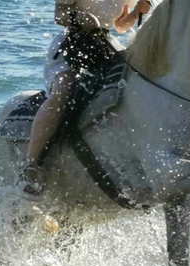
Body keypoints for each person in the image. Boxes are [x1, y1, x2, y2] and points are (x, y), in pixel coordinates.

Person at [19, 0, 151, 195]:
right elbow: (59, 16)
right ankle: (32, 165)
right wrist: (78, 18)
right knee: (64, 90)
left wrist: (137, 12)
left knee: (136, 83)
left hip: (105, 46)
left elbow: (120, 26)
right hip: (72, 45)